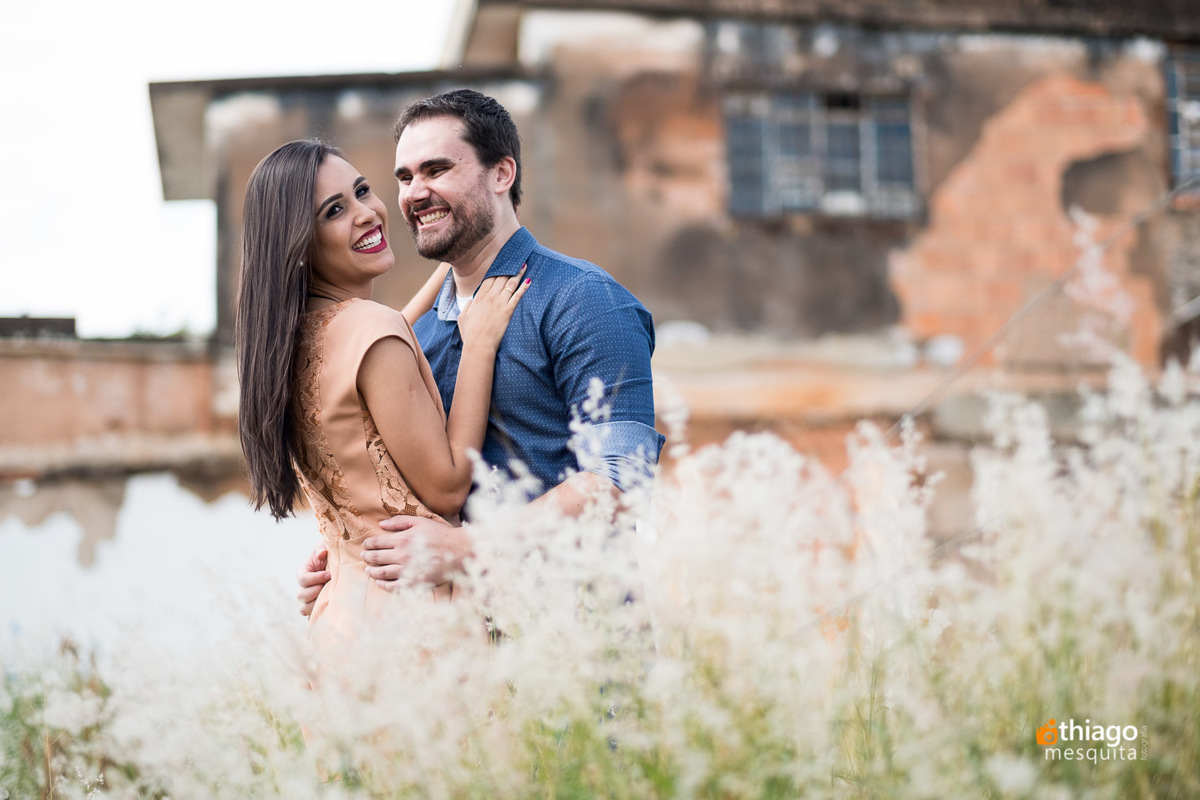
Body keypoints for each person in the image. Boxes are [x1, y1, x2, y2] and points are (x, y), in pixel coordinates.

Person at [297, 89, 664, 612]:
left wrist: (469, 548)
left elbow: (621, 477)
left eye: (436, 170)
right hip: (459, 659)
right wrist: (350, 561)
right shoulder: (412, 336)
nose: (414, 192)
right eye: (404, 178)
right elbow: (403, 487)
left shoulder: (583, 299)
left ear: (501, 174)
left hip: (574, 647)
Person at [236, 139, 529, 643]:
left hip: (338, 620)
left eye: (362, 191)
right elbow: (447, 485)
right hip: (416, 623)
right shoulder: (372, 331)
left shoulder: (283, 345)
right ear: (300, 242)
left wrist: (453, 263)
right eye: (334, 211)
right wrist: (478, 346)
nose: (367, 214)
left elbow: (383, 339)